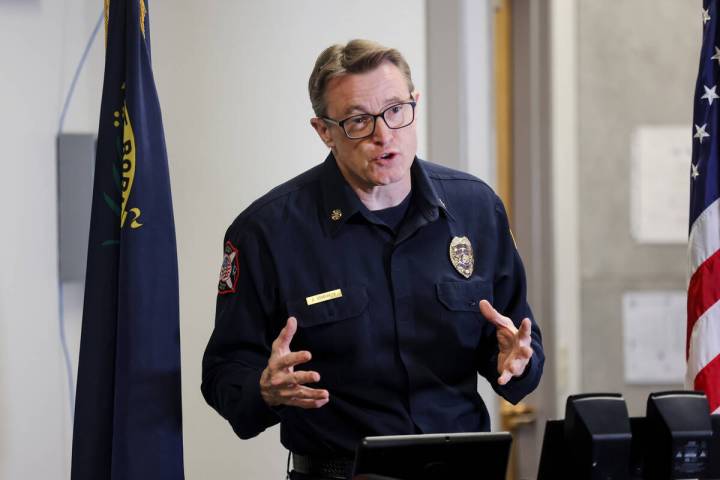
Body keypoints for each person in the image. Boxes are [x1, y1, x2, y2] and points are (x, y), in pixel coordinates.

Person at [201, 39, 544, 480]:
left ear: (415, 104)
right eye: (359, 121)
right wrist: (265, 390)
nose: (385, 135)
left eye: (396, 110)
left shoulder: (476, 208)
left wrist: (517, 363)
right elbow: (223, 374)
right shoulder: (266, 232)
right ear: (324, 131)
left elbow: (519, 346)